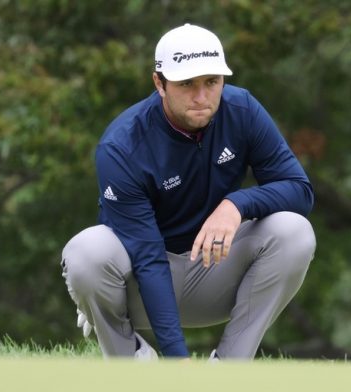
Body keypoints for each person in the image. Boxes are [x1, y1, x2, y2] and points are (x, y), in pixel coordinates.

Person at [60, 24, 316, 360]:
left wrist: (237, 204)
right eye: (186, 84)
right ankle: (131, 360)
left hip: (214, 270)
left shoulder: (242, 111)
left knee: (295, 231)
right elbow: (148, 259)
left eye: (212, 82)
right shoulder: (122, 145)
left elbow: (300, 190)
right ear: (159, 83)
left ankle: (229, 369)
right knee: (85, 254)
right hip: (138, 281)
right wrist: (178, 362)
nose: (201, 97)